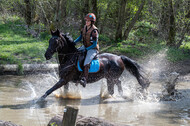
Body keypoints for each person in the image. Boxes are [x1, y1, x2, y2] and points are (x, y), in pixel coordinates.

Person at [74, 13, 99, 87]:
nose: (87, 22)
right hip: (85, 47)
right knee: (74, 53)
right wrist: (73, 42)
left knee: (86, 63)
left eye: (88, 21)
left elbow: (94, 44)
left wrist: (86, 49)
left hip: (92, 49)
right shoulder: (84, 27)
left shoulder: (94, 31)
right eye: (86, 20)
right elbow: (80, 37)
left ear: (92, 22)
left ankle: (84, 79)